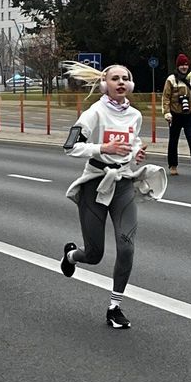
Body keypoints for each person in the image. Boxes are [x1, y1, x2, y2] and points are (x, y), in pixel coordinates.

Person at [60, 62, 167, 329]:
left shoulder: (135, 115)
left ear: (130, 85)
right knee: (94, 255)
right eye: (115, 78)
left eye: (125, 78)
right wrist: (102, 147)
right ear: (105, 84)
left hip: (122, 184)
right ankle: (71, 256)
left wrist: (136, 154)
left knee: (127, 246)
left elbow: (130, 145)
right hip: (95, 184)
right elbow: (69, 146)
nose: (121, 82)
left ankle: (114, 306)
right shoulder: (93, 113)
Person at [162, 54, 191, 176]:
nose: (184, 67)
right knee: (173, 140)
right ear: (177, 66)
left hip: (190, 114)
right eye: (182, 65)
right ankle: (173, 165)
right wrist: (167, 112)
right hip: (175, 114)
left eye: (186, 64)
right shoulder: (171, 79)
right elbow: (166, 97)